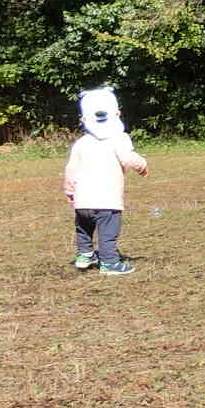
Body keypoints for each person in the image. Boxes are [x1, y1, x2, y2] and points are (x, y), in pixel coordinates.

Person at [63, 86, 150, 276]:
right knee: (108, 233)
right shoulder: (119, 138)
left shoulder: (81, 143)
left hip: (82, 201)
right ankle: (110, 263)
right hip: (107, 201)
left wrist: (70, 191)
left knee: (83, 230)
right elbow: (128, 159)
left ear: (84, 119)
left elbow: (71, 169)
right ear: (117, 113)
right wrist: (143, 167)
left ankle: (85, 255)